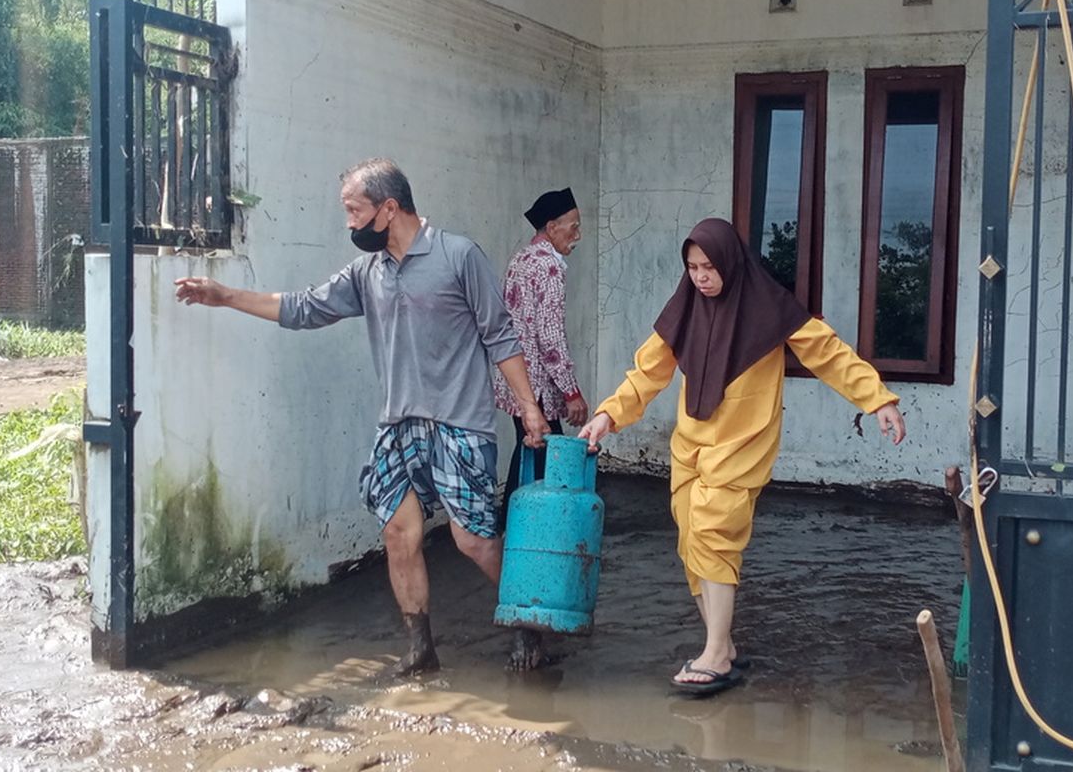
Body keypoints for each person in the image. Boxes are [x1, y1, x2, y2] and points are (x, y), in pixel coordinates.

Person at [173, 158, 552, 674]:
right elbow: (304, 308)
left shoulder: (458, 256)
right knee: (399, 533)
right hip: (398, 427)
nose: (349, 223)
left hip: (460, 424)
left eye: (354, 211)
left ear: (388, 208)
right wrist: (225, 297)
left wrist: (529, 406)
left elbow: (500, 336)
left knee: (474, 540)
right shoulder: (367, 273)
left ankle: (526, 624)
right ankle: (421, 649)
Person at [579, 218, 907, 695]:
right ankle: (723, 646)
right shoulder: (685, 309)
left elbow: (829, 354)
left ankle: (713, 653)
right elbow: (647, 373)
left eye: (710, 267)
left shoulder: (769, 309)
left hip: (742, 443)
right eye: (692, 268)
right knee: (693, 537)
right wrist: (608, 416)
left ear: (730, 263)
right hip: (691, 443)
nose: (701, 277)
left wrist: (878, 398)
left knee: (714, 533)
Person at [494, 187, 589, 508]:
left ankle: (511, 526)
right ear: (552, 228)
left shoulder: (520, 258)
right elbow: (550, 338)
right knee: (543, 460)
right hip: (536, 385)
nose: (578, 234)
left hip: (514, 377)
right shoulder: (549, 266)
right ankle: (526, 532)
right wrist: (571, 391)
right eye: (573, 226)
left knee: (531, 452)